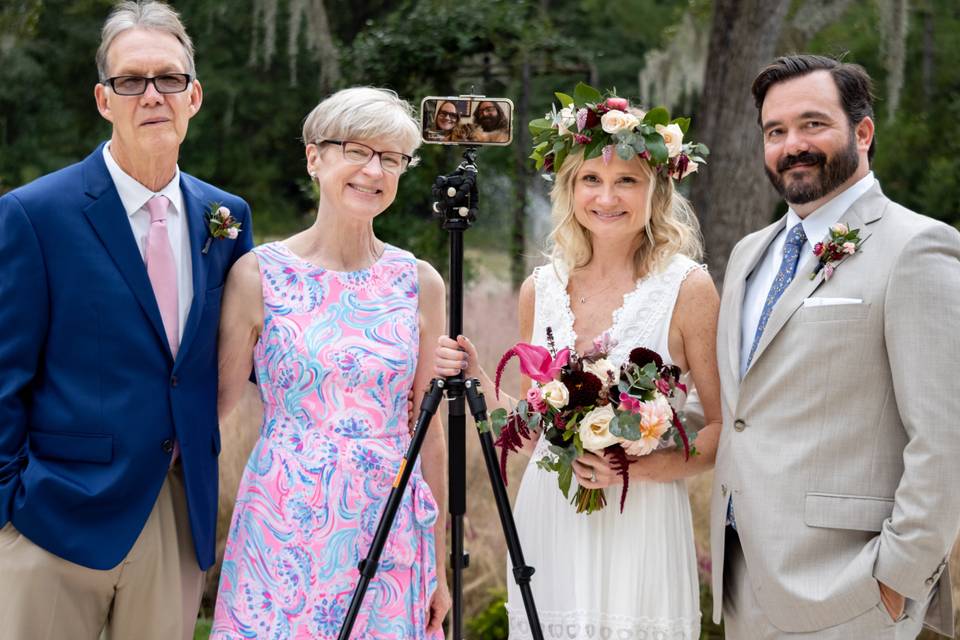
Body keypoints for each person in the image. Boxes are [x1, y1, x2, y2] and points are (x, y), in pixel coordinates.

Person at [0, 2, 253, 639]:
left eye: (169, 79)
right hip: (53, 519)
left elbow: (252, 346)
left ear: (193, 96)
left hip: (176, 513)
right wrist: (9, 515)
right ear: (103, 99)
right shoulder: (35, 214)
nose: (151, 95)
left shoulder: (226, 219)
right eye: (130, 81)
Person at [436, 90, 722, 639]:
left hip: (639, 519)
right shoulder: (540, 289)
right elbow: (534, 421)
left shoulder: (687, 287)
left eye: (627, 181)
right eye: (590, 179)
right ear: (568, 188)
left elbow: (720, 430)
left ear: (656, 189)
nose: (606, 196)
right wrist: (478, 377)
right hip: (553, 515)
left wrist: (634, 469)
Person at [710, 54, 960, 639]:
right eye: (776, 131)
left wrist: (898, 577)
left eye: (813, 124)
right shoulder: (751, 254)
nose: (792, 144)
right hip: (742, 578)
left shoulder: (918, 248)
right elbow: (746, 408)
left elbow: (946, 435)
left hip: (850, 591)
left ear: (863, 132)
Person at [211, 87, 451, 639]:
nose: (374, 170)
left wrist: (438, 559)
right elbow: (216, 406)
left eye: (391, 158)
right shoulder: (257, 275)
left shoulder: (420, 284)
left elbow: (430, 433)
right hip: (284, 517)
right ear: (314, 157)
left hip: (390, 520)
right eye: (358, 151)